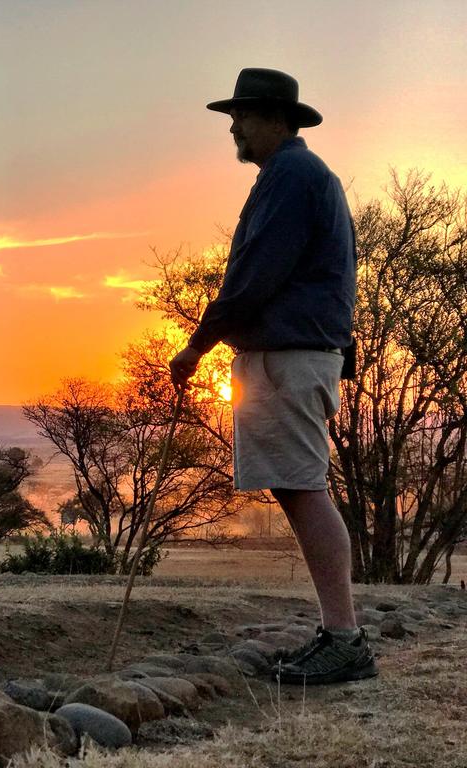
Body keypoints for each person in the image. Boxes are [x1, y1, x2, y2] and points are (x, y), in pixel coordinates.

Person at [169, 68, 375, 684]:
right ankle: (339, 633)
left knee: (304, 487)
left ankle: (345, 639)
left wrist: (197, 345)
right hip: (295, 354)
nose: (233, 127)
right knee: (297, 486)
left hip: (290, 356)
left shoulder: (292, 175)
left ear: (276, 119)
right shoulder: (299, 176)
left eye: (242, 115)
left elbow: (255, 275)